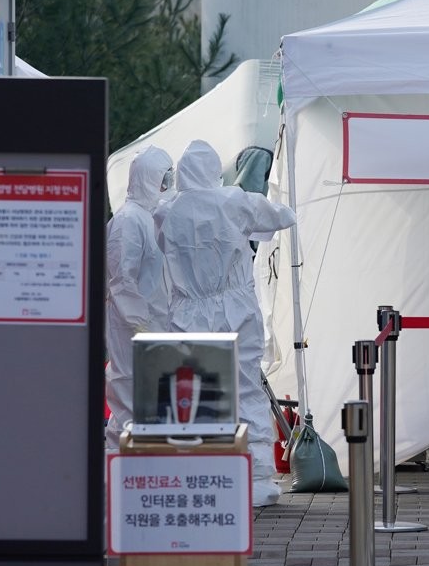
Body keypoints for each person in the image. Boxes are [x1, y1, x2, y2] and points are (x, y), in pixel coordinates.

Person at [160, 139, 296, 507]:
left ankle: (201, 474)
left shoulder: (168, 210)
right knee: (245, 389)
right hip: (235, 308)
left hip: (187, 311)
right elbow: (282, 217)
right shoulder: (233, 201)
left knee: (193, 394)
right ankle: (257, 478)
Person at [105, 146, 173, 450]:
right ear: (147, 178)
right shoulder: (128, 220)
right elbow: (121, 278)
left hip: (150, 324)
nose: (166, 186)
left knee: (147, 399)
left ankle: (140, 463)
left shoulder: (150, 217)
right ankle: (117, 464)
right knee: (128, 397)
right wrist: (140, 322)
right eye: (162, 178)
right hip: (131, 325)